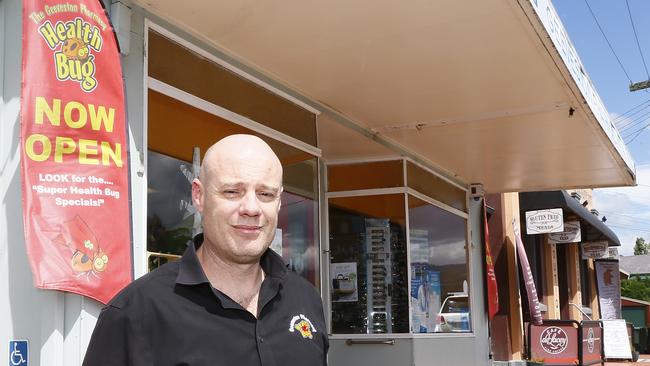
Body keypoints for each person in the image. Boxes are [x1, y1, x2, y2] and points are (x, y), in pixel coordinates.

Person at [83, 134, 328, 366]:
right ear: (198, 196)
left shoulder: (305, 300)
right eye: (232, 191)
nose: (251, 208)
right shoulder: (136, 313)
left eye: (265, 194)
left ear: (279, 201)